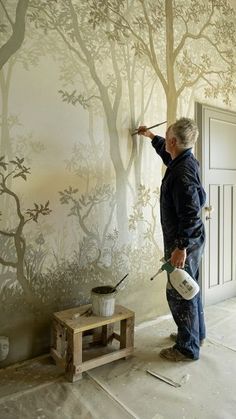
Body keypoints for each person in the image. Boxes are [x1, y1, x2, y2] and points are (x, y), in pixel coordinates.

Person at [138, 117, 206, 361]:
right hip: (190, 240)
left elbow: (191, 214)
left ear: (174, 141)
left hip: (184, 242)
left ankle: (186, 348)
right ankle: (196, 335)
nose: (165, 140)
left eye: (166, 138)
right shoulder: (183, 160)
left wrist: (180, 247)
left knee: (180, 291)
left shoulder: (182, 174)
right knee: (191, 286)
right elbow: (168, 156)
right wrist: (150, 137)